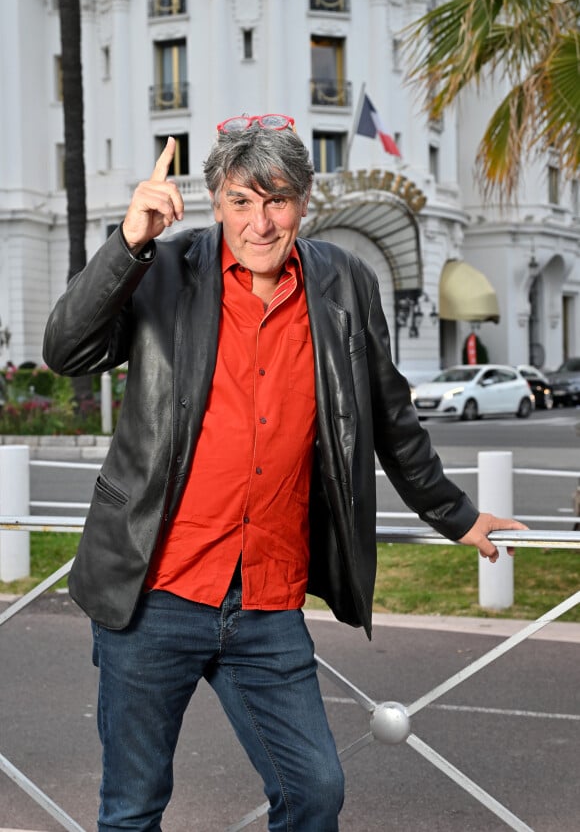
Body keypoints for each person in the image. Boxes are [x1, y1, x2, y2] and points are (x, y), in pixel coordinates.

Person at [43, 115, 524, 831]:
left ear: (303, 200)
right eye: (241, 201)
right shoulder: (166, 270)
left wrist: (454, 514)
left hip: (266, 603)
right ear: (215, 201)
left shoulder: (347, 284)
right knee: (133, 809)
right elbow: (66, 350)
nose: (260, 223)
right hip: (153, 592)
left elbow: (391, 416)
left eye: (277, 200)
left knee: (315, 792)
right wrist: (128, 243)